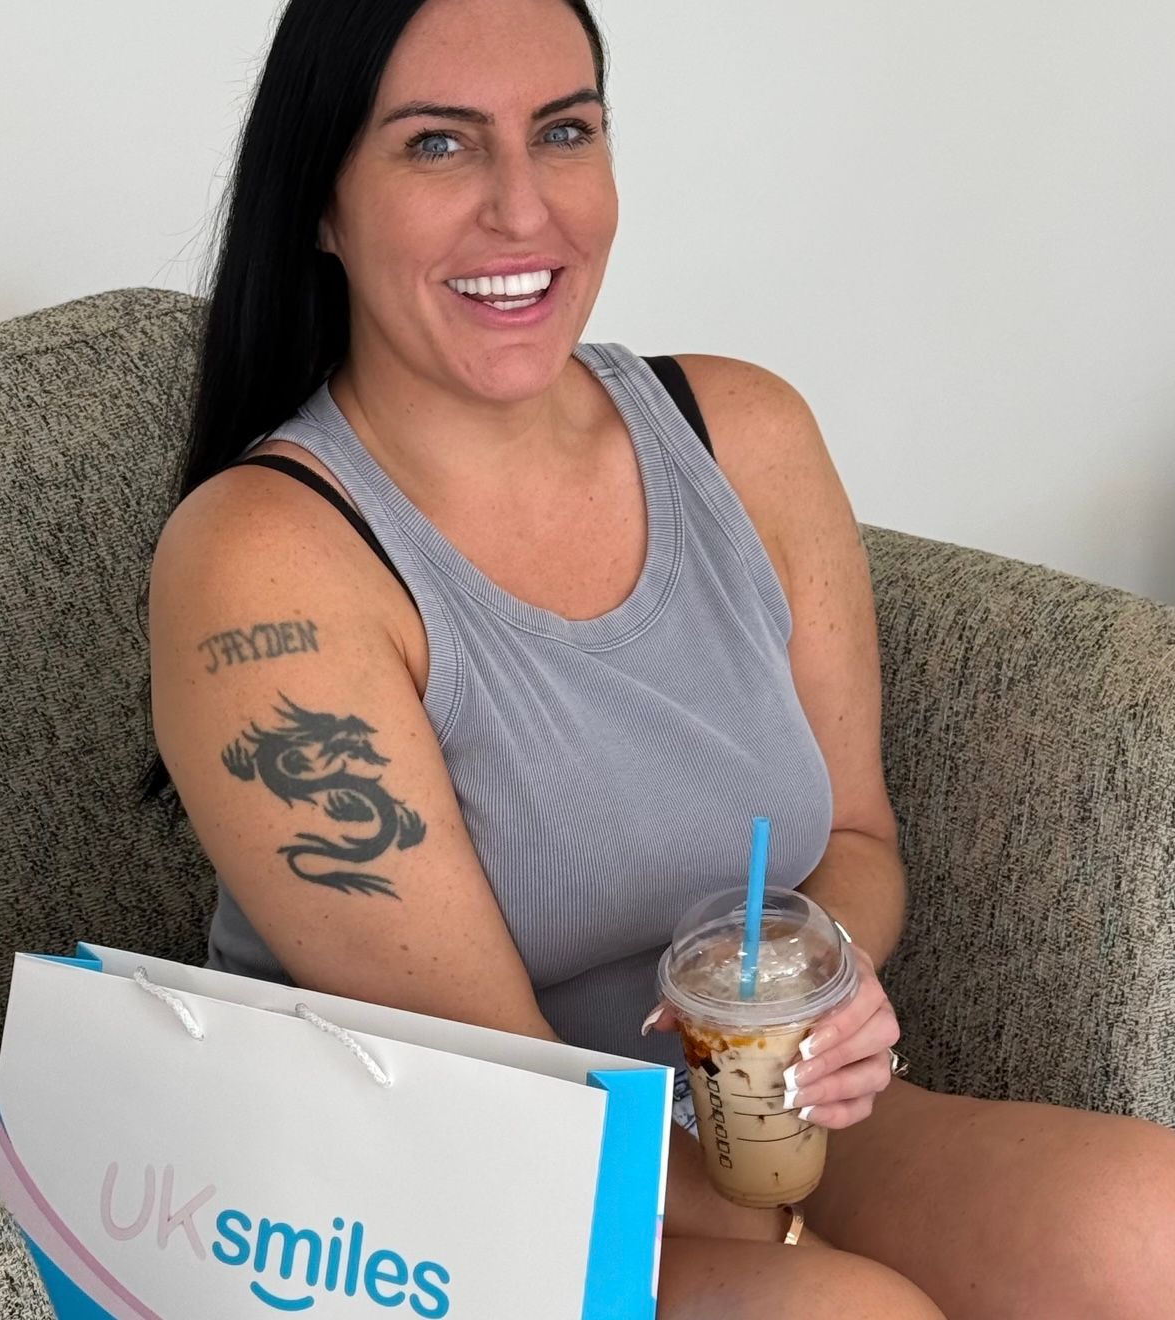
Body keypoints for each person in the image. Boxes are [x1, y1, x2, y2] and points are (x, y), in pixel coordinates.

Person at [143, 0, 1175, 1314]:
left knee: (1149, 1224)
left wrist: (806, 990)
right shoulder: (262, 564)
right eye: (439, 147)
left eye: (563, 132)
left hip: (747, 1123)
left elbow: (853, 842)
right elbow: (498, 1093)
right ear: (323, 203)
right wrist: (799, 1239)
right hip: (438, 1192)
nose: (525, 211)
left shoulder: (747, 434)